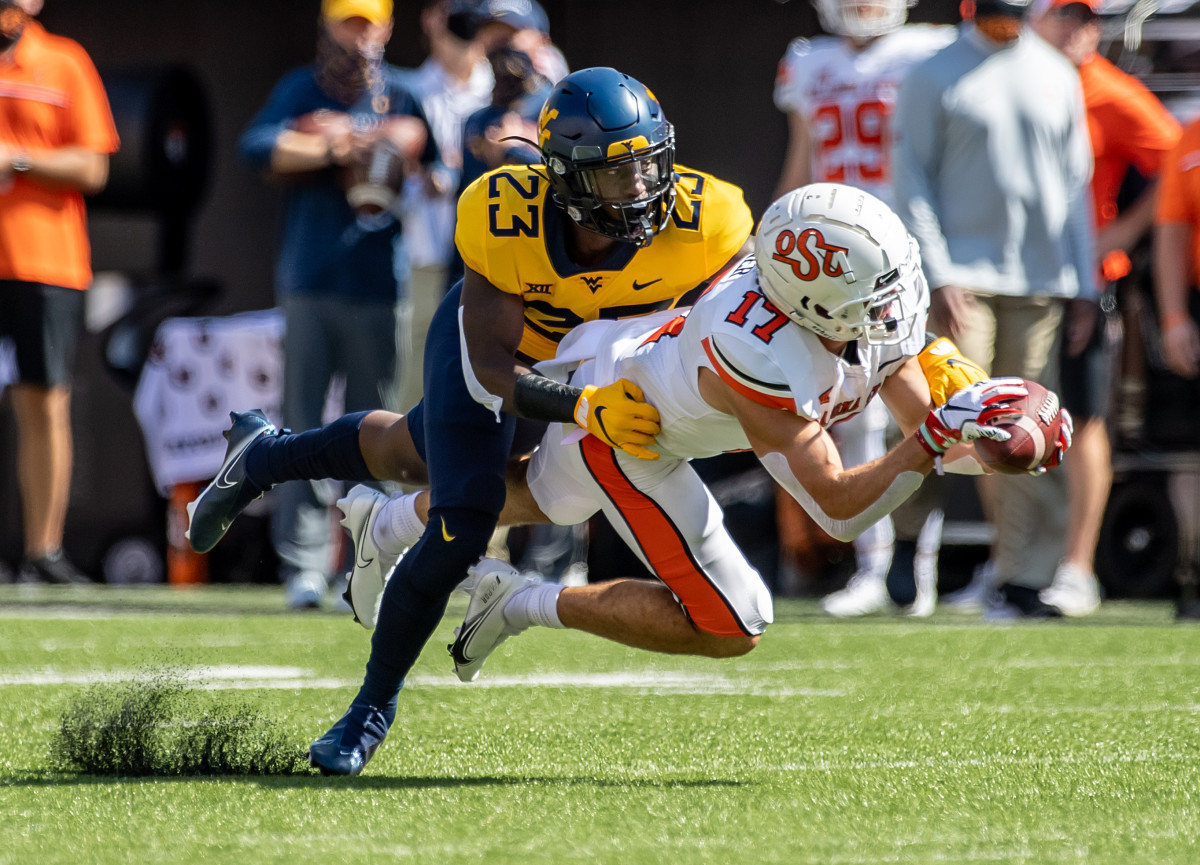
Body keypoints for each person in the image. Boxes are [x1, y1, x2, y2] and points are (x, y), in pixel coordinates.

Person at [187, 67, 756, 774]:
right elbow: (492, 366)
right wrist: (581, 406)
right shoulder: (505, 213)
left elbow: (755, 313)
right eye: (616, 178)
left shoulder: (714, 218)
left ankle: (264, 456)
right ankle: (370, 706)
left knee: (408, 453)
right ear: (565, 180)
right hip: (502, 360)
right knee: (465, 517)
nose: (641, 192)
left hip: (586, 370)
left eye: (649, 167)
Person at [892, 0, 1096, 618]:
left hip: (1038, 284)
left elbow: (1075, 186)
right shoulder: (933, 73)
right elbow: (912, 179)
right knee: (942, 413)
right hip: (962, 282)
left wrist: (1083, 283)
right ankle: (906, 538)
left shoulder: (1057, 73)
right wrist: (940, 271)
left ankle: (1024, 577)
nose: (1005, 22)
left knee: (1028, 427)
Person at [237, 0, 437, 609]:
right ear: (326, 25)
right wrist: (331, 147)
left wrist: (385, 147)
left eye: (368, 22)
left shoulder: (403, 92)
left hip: (379, 282)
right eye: (348, 21)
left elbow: (433, 164)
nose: (358, 35)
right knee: (296, 419)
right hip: (310, 278)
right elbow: (258, 147)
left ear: (387, 26)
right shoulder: (302, 87)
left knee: (373, 428)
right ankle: (302, 564)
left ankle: (366, 561)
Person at [773, 0, 954, 617]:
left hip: (900, 247)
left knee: (916, 400)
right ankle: (876, 565)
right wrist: (771, 239)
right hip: (827, 255)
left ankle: (910, 566)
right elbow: (802, 159)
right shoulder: (809, 60)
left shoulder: (927, 50)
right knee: (850, 412)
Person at [1032, 0, 1181, 616]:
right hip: (1006, 278)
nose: (1081, 29)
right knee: (993, 413)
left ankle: (1076, 564)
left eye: (1088, 17)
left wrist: (1118, 237)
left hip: (1081, 284)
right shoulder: (1011, 80)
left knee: (1081, 417)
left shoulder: (1107, 90)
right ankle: (1019, 564)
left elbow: (1178, 161)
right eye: (1065, 16)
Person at [0, 0, 118, 584]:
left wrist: (17, 159)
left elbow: (95, 166)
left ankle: (41, 553)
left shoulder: (64, 61)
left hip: (45, 260)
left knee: (43, 402)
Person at [393, 0, 495, 414]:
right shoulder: (410, 90)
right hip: (427, 254)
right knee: (415, 373)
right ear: (430, 18)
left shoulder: (509, 84)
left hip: (491, 257)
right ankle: (404, 477)